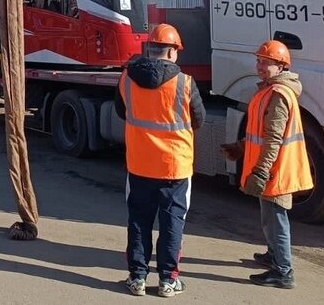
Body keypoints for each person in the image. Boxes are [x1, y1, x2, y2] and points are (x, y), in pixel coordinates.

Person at [114, 23, 205, 297]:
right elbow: (198, 119)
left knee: (139, 221)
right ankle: (168, 280)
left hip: (140, 164)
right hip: (175, 167)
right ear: (173, 52)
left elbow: (122, 112)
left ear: (149, 50)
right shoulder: (185, 83)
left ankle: (137, 278)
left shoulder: (126, 79)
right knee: (172, 222)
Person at [221, 40, 313, 290]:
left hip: (276, 170)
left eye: (265, 62)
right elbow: (260, 133)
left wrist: (261, 171)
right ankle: (274, 255)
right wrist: (241, 147)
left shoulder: (279, 95)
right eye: (258, 61)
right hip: (272, 168)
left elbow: (274, 138)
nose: (259, 66)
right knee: (269, 218)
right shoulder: (270, 91)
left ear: (281, 66)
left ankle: (283, 271)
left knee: (276, 220)